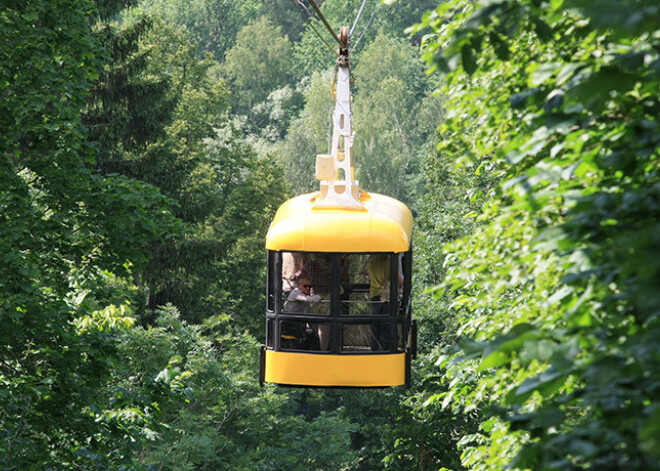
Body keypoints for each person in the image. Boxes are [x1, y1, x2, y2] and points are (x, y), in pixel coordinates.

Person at [366, 254, 402, 351]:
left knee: (376, 320)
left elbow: (368, 275)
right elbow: (400, 281)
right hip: (387, 296)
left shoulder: (370, 264)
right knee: (387, 321)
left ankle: (374, 347)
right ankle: (385, 346)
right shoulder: (389, 263)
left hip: (374, 295)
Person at [281, 276, 320, 350]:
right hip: (290, 325)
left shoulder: (304, 296)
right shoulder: (296, 293)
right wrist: (320, 296)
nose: (308, 288)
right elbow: (308, 300)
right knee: (311, 335)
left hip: (298, 325)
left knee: (312, 335)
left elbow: (307, 315)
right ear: (299, 286)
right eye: (305, 286)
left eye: (310, 286)